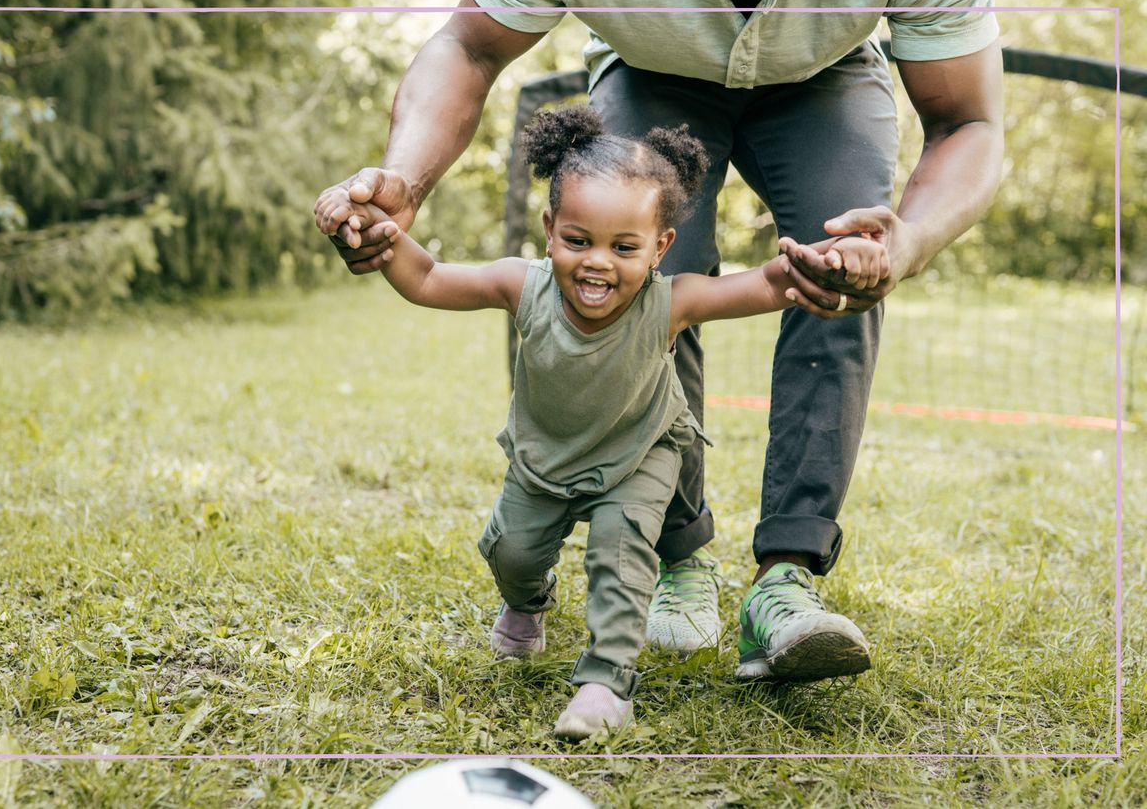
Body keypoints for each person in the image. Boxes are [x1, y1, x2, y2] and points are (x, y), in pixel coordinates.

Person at [313, 0, 1004, 680]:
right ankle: (677, 551)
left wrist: (912, 238)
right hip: (649, 66)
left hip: (824, 76)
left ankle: (786, 578)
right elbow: (469, 45)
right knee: (637, 284)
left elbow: (969, 120)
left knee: (843, 264)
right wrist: (406, 174)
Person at [368, 106, 890, 738]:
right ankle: (529, 602)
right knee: (513, 552)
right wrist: (378, 234)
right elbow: (425, 277)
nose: (597, 264)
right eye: (578, 240)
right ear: (549, 228)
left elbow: (762, 285)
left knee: (621, 561)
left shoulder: (670, 302)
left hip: (640, 456)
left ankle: (605, 685)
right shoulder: (521, 285)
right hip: (544, 458)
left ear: (660, 247)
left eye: (624, 247)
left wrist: (820, 262)